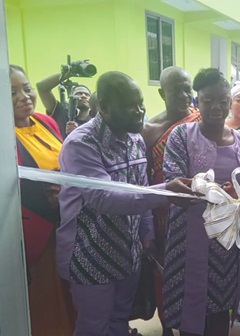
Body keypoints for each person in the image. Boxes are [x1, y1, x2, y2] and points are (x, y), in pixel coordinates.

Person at [56, 71, 192, 336]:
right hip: (90, 256)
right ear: (104, 107)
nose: (139, 111)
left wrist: (148, 233)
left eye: (141, 103)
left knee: (120, 320)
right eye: (131, 105)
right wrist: (166, 191)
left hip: (127, 254)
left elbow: (140, 189)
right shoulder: (81, 144)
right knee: (94, 326)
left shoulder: (135, 140)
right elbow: (103, 198)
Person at [162, 68, 240, 336]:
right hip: (190, 238)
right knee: (191, 309)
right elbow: (174, 180)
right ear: (197, 102)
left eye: (223, 100)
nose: (216, 107)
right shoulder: (181, 136)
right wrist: (215, 191)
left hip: (228, 241)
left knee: (220, 309)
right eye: (208, 100)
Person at [12, 64, 76, 335]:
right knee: (46, 302)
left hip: (67, 223)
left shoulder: (45, 121)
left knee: (72, 297)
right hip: (36, 232)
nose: (24, 96)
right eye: (12, 92)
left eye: (26, 88)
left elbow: (68, 163)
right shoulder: (5, 136)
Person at [141, 66, 200, 336]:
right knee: (163, 271)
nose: (185, 95)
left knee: (197, 269)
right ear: (162, 93)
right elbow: (141, 178)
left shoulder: (203, 121)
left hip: (198, 210)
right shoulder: (150, 129)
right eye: (177, 90)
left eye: (188, 88)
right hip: (163, 214)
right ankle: (167, 326)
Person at [36, 72, 92, 138]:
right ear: (70, 98)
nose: (83, 96)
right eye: (79, 93)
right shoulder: (61, 112)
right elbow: (42, 87)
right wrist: (66, 74)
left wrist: (77, 132)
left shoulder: (94, 123)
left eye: (87, 94)